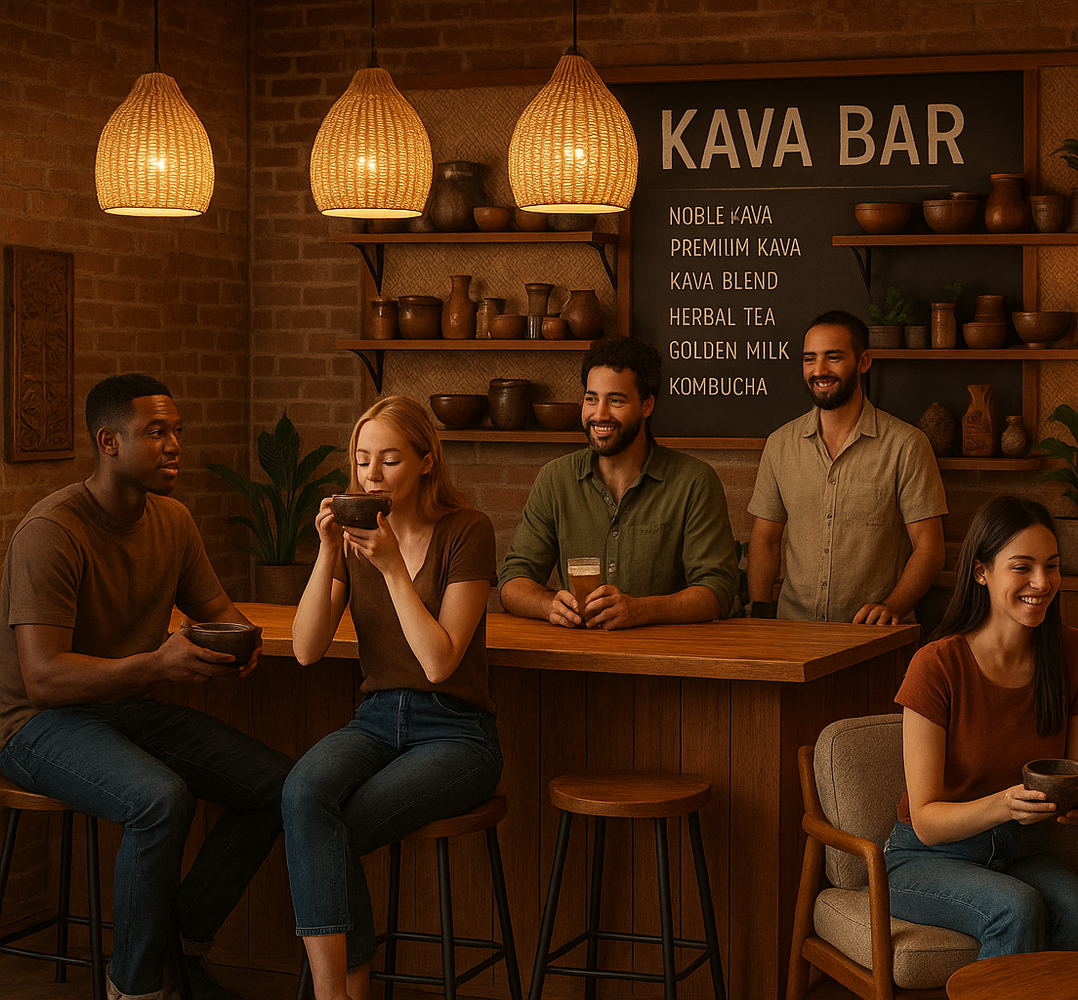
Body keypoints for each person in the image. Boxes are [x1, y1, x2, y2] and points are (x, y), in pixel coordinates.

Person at [0, 373, 292, 1000]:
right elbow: (44, 678)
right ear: (109, 441)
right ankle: (135, 988)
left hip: (129, 707)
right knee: (160, 799)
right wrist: (159, 665)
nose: (173, 446)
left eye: (177, 432)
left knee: (278, 787)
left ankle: (175, 948)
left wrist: (239, 642)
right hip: (35, 725)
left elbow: (216, 609)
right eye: (155, 432)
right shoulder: (51, 531)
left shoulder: (173, 520)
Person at [285, 396, 504, 1000]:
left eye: (388, 460)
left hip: (458, 732)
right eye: (360, 462)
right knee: (303, 792)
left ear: (426, 463)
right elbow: (306, 649)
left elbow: (439, 661)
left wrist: (392, 571)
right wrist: (329, 550)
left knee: (332, 828)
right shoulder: (354, 546)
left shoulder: (467, 531)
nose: (371, 477)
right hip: (377, 720)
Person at [884, 495, 1078, 956]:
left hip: (1024, 849)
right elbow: (926, 821)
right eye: (1022, 567)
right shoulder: (937, 665)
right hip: (929, 857)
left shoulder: (1075, 654)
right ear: (981, 571)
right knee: (1017, 908)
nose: (1042, 583)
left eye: (1052, 565)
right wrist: (1006, 805)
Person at [499, 337, 739, 629]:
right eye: (591, 399)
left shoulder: (694, 482)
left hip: (669, 661)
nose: (599, 414)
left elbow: (718, 591)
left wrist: (640, 610)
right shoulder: (555, 479)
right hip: (576, 660)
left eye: (616, 400)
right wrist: (547, 604)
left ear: (647, 405)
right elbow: (513, 579)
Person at [746, 310, 946, 623]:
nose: (819, 370)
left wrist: (893, 607)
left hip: (873, 638)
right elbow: (765, 540)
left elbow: (930, 548)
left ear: (863, 361)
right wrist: (760, 616)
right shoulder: (780, 444)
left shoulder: (906, 445)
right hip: (793, 632)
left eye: (833, 357)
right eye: (809, 358)